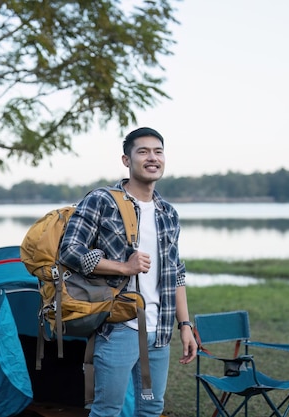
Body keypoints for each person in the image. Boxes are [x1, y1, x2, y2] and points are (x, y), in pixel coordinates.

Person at [58, 127, 197, 417]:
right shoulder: (103, 201)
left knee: (151, 407)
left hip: (159, 332)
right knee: (107, 410)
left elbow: (176, 273)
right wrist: (123, 267)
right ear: (126, 160)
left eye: (158, 151)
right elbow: (69, 250)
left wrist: (184, 326)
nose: (152, 158)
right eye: (143, 151)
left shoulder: (168, 213)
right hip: (119, 326)